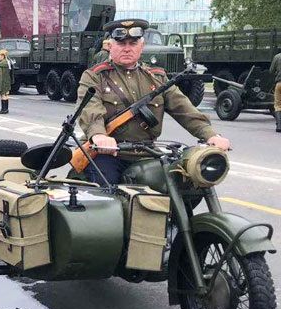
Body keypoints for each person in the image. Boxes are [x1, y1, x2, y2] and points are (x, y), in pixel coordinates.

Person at [77, 19, 231, 186]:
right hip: (106, 153)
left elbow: (183, 108)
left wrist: (210, 135)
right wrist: (99, 135)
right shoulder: (95, 76)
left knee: (185, 183)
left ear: (141, 46)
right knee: (105, 192)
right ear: (110, 46)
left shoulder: (156, 77)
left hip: (146, 153)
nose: (127, 48)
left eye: (133, 43)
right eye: (121, 43)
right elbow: (90, 110)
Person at [0, 49, 13, 114]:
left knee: (3, 96)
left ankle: (3, 109)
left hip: (2, 82)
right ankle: (6, 109)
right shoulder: (8, 63)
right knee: (6, 95)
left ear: (2, 56)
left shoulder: (0, 65)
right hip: (7, 82)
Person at [270, 51, 281, 132]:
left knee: (277, 105)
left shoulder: (277, 57)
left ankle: (279, 126)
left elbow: (271, 71)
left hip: (279, 83)